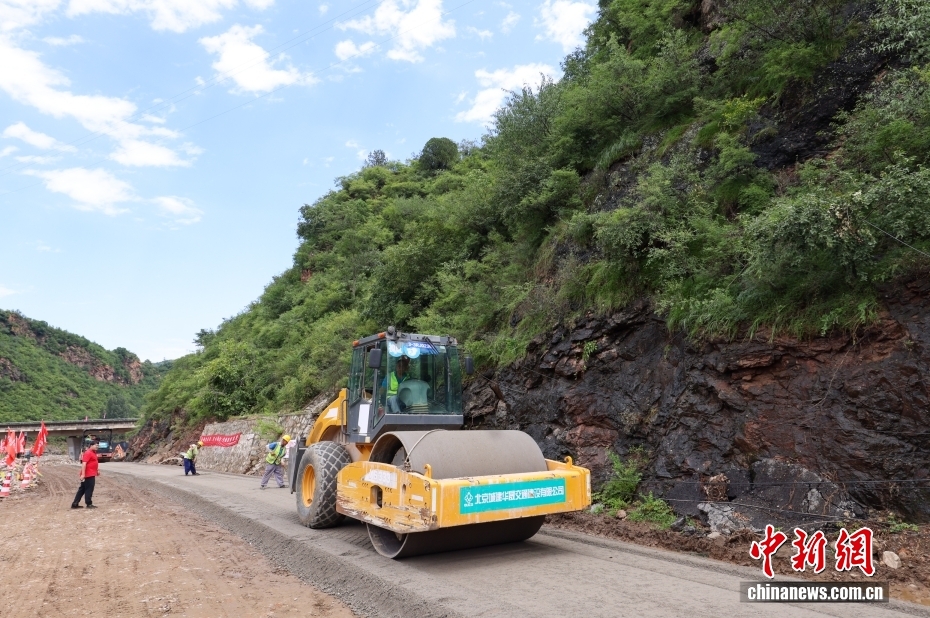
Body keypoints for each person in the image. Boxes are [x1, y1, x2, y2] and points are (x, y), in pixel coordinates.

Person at [72, 441, 99, 509]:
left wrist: (97, 471)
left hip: (91, 473)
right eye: (96, 445)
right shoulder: (88, 453)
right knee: (89, 489)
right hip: (88, 474)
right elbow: (84, 464)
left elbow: (93, 463)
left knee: (82, 489)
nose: (97, 447)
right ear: (91, 445)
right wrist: (83, 474)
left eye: (98, 445)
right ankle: (89, 503)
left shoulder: (93, 453)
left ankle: (75, 504)